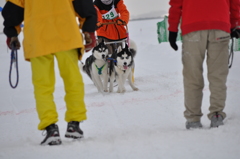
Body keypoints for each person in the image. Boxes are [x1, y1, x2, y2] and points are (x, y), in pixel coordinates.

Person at [2, 0, 97, 145]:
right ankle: (74, 124)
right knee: (73, 80)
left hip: (38, 39)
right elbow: (84, 5)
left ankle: (50, 128)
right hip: (66, 35)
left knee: (42, 86)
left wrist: (12, 33)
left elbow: (13, 11)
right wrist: (88, 29)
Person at [168, 0, 240, 129]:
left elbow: (176, 4)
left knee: (192, 76)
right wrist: (235, 24)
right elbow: (235, 2)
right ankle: (217, 115)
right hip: (220, 25)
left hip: (192, 27)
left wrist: (173, 29)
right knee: (218, 75)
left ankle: (193, 119)